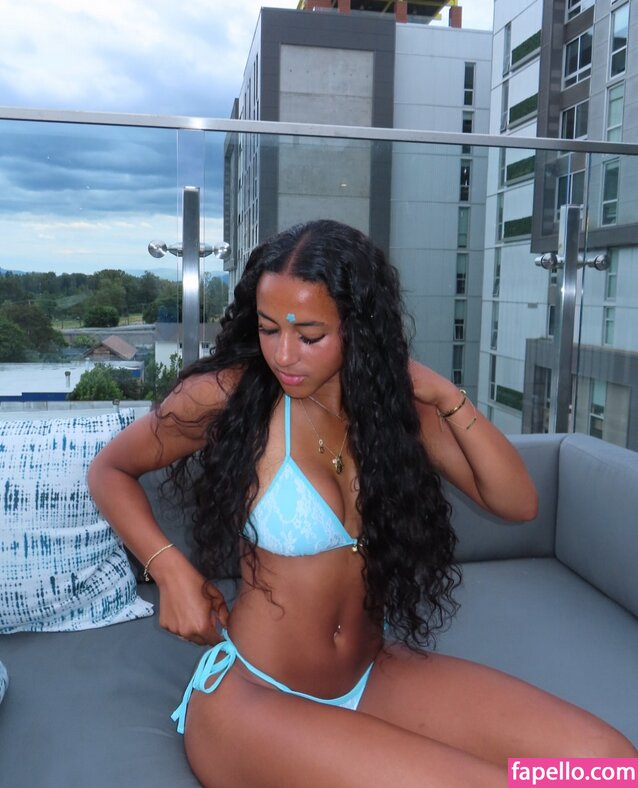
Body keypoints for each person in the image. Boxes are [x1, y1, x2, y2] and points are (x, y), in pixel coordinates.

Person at [89, 220, 636, 787]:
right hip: (255, 695)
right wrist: (170, 570)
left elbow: (518, 503)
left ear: (358, 326)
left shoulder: (391, 410)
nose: (283, 354)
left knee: (607, 766)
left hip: (369, 678)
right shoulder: (230, 396)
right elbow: (110, 470)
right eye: (269, 328)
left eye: (310, 335)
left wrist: (444, 394)